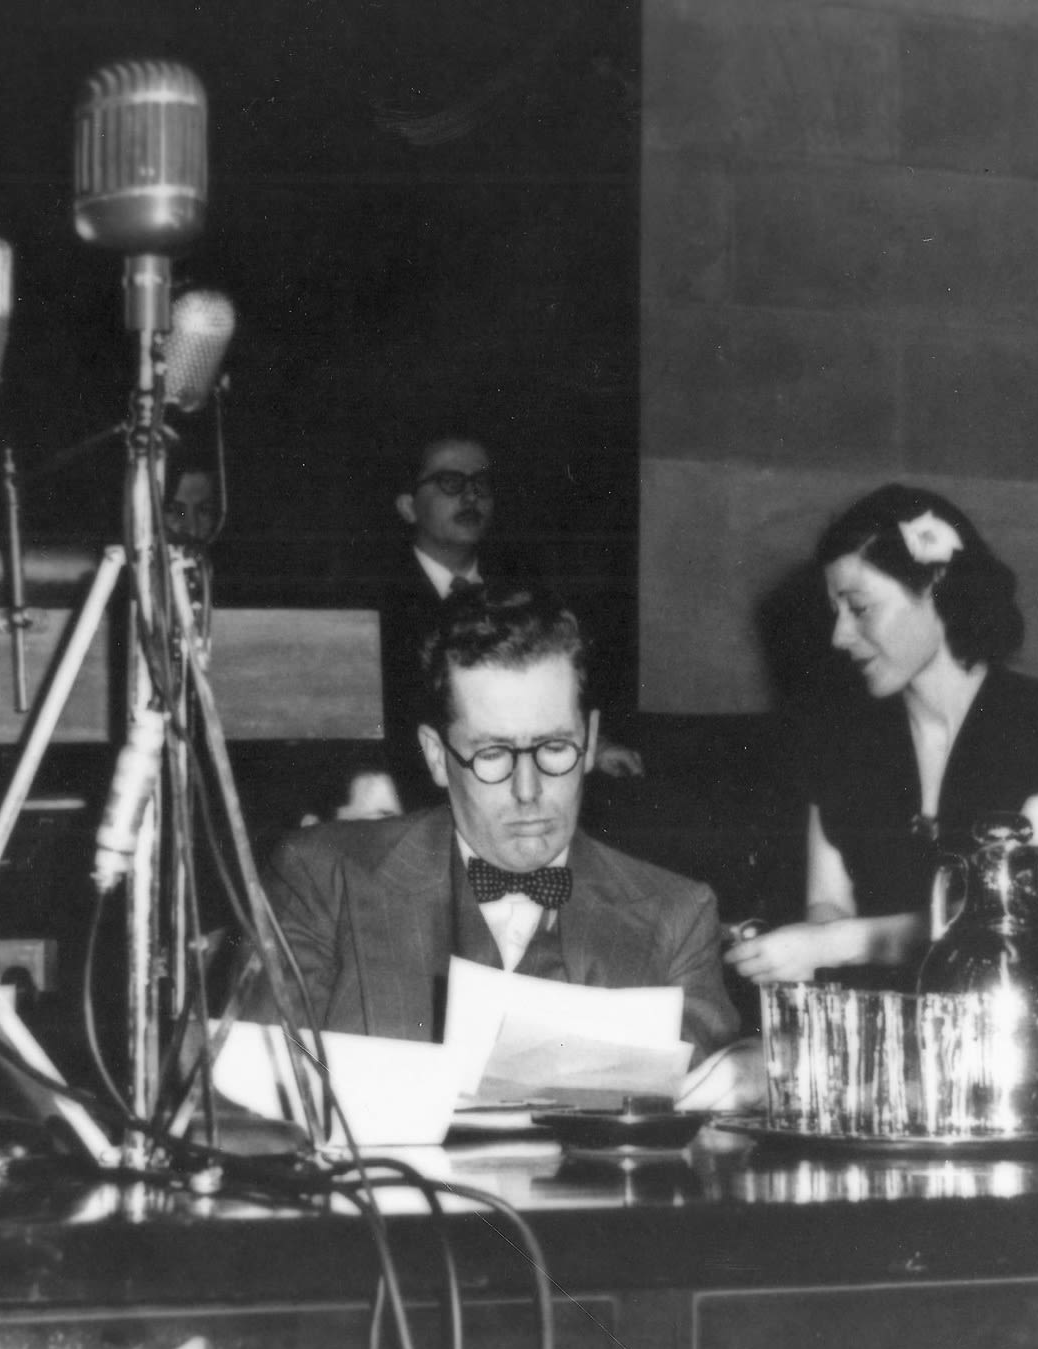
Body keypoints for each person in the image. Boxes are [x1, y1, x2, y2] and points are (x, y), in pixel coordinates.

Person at [246, 584, 749, 1109]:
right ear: (437, 756)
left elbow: (705, 1119)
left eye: (555, 748)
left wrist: (756, 1069)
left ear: (592, 739)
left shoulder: (677, 914)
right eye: (492, 754)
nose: (528, 791)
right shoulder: (322, 880)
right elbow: (254, 1108)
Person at [735, 485, 1038, 991]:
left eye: (858, 608)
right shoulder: (839, 742)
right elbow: (827, 907)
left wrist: (832, 944)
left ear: (937, 587)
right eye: (834, 612)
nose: (838, 635)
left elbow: (1004, 932)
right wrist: (790, 946)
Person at [337, 433, 627, 820]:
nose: (470, 497)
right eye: (451, 483)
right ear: (408, 506)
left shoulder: (524, 586)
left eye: (480, 485)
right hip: (409, 794)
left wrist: (597, 743)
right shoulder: (365, 598)